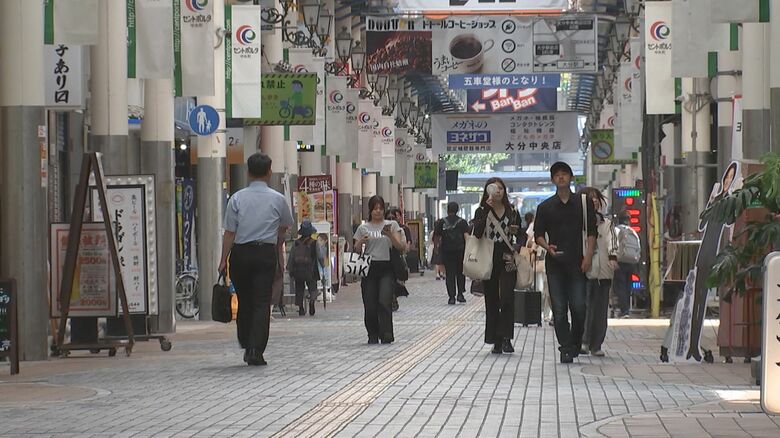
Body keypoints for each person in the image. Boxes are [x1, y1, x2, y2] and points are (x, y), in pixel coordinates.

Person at [218, 152, 294, 366]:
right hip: (265, 255)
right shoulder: (278, 199)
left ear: (248, 172)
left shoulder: (237, 198)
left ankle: (245, 340)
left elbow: (230, 233)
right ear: (269, 172)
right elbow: (285, 226)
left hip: (241, 254)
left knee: (245, 301)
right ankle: (256, 349)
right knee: (261, 301)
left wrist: (223, 260)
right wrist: (277, 243)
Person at [533, 162, 597, 364]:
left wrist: (588, 257)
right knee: (559, 310)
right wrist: (547, 247)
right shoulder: (545, 207)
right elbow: (538, 235)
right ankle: (565, 347)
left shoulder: (583, 203)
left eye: (564, 174)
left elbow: (592, 232)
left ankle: (576, 341)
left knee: (579, 307)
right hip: (555, 265)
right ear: (552, 179)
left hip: (578, 263)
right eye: (557, 175)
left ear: (571, 178)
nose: (561, 177)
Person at [472, 177, 521, 354]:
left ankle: (506, 338)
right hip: (488, 259)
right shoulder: (481, 211)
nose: (498, 191)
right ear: (487, 191)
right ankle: (496, 339)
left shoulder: (512, 211)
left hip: (507, 258)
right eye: (494, 188)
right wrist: (487, 209)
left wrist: (517, 246)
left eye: (501, 188)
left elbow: (520, 233)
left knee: (507, 298)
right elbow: (477, 233)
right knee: (492, 300)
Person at [354, 196, 407, 344]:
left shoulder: (392, 225)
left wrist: (389, 234)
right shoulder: (363, 228)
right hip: (369, 268)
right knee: (370, 304)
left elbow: (400, 247)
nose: (378, 211)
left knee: (384, 301)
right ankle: (372, 333)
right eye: (374, 208)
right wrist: (361, 242)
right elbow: (356, 250)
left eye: (380, 208)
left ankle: (386, 334)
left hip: (386, 267)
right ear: (370, 210)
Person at [578, 187, 618, 357]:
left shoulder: (606, 223)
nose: (593, 201)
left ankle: (596, 345)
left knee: (601, 309)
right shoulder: (577, 222)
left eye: (596, 198)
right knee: (584, 307)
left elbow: (612, 241)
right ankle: (583, 341)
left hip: (603, 272)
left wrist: (613, 256)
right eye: (589, 198)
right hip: (583, 271)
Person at [434, 201, 469, 304]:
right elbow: (466, 237)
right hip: (460, 251)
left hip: (447, 251)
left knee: (449, 274)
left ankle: (451, 297)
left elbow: (436, 236)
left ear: (447, 210)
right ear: (457, 210)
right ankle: (460, 294)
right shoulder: (462, 222)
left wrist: (436, 249)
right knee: (460, 273)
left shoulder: (441, 222)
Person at [288, 220, 320, 316]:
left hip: (298, 270)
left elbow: (292, 257)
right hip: (311, 270)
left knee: (299, 288)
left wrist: (290, 269)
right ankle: (311, 301)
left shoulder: (296, 243)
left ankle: (301, 307)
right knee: (312, 287)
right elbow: (320, 256)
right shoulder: (314, 243)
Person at [525, 212, 552, 325]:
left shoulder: (554, 227)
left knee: (548, 291)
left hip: (548, 262)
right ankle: (539, 312)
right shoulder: (534, 226)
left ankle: (547, 314)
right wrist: (533, 243)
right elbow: (529, 244)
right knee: (540, 289)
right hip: (539, 261)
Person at [611, 211, 636, 318]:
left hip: (620, 261)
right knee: (627, 286)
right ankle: (627, 309)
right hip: (631, 261)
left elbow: (612, 244)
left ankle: (624, 310)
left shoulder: (616, 230)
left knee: (619, 286)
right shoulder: (632, 231)